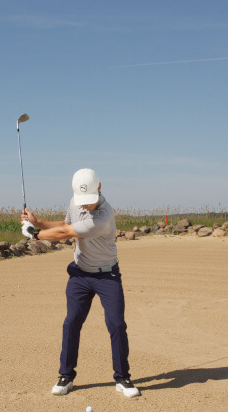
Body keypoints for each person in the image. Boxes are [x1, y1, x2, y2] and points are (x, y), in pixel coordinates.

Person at [20, 168, 139, 398]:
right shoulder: (76, 201)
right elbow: (64, 223)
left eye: (89, 201)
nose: (85, 205)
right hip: (80, 275)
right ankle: (66, 375)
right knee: (71, 322)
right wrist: (38, 222)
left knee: (116, 325)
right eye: (82, 201)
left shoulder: (103, 217)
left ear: (100, 188)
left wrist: (34, 234)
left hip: (107, 276)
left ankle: (122, 378)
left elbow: (65, 232)